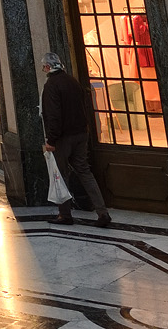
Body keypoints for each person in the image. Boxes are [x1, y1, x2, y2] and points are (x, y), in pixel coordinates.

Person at [40, 51, 113, 227]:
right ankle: (102, 212)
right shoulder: (72, 81)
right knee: (85, 172)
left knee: (61, 174)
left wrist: (51, 139)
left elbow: (54, 115)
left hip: (63, 137)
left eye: (44, 67)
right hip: (81, 133)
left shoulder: (52, 85)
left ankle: (65, 214)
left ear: (49, 67)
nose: (43, 69)